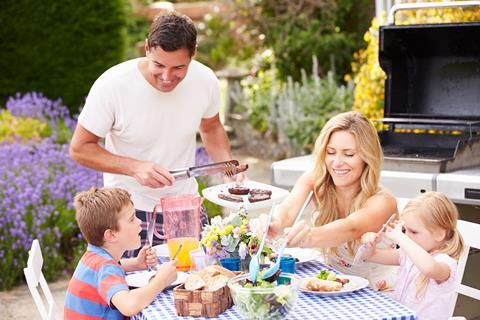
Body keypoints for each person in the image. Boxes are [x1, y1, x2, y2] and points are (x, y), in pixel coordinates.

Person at [69, 11, 243, 253]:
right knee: (133, 289)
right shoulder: (112, 85)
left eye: (178, 68)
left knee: (196, 284)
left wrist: (227, 167)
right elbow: (80, 149)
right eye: (159, 65)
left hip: (185, 207)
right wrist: (135, 167)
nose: (167, 77)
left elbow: (211, 126)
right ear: (147, 48)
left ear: (193, 54)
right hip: (127, 215)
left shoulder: (205, 80)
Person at [260, 111, 398, 289]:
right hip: (332, 288)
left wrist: (308, 237)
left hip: (377, 295)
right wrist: (273, 223)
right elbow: (287, 210)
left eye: (349, 154)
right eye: (331, 152)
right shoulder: (315, 181)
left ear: (367, 157)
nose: (337, 162)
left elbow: (350, 228)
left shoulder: (383, 201)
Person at [64, 187, 178, 319]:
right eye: (132, 219)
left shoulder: (93, 257)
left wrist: (136, 263)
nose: (139, 222)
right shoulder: (106, 267)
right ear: (111, 235)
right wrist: (161, 280)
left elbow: (112, 268)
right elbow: (129, 306)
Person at [361, 192, 464, 319]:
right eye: (405, 230)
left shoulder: (445, 263)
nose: (407, 236)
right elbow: (371, 256)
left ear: (439, 234)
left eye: (414, 232)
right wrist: (371, 243)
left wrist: (401, 237)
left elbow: (429, 268)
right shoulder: (407, 255)